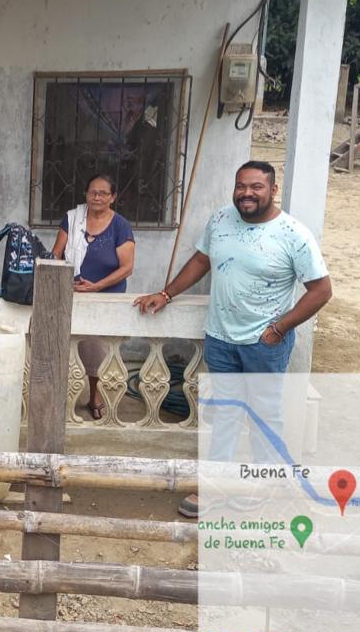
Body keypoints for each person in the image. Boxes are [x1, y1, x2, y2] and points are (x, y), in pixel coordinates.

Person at [134, 160, 332, 518]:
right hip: (220, 338)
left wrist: (279, 329)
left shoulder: (293, 234)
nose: (246, 193)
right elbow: (201, 260)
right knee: (223, 414)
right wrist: (166, 294)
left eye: (256, 187)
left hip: (264, 344)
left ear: (273, 190)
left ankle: (262, 485)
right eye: (241, 186)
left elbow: (321, 291)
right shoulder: (222, 219)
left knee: (263, 416)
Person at [51, 175, 135, 420]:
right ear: (86, 194)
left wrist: (96, 287)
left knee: (96, 350)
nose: (97, 197)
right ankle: (58, 395)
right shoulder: (72, 219)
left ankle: (94, 395)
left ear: (113, 197)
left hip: (104, 298)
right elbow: (56, 253)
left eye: (103, 193)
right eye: (92, 192)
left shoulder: (120, 226)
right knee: (60, 345)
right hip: (71, 293)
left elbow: (127, 268)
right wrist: (61, 279)